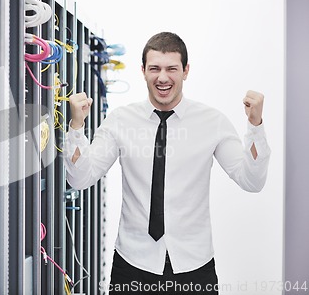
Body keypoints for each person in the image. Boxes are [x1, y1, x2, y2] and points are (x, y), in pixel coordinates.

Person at [64, 32, 270, 294]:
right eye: (154, 69)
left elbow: (252, 181)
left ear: (185, 71)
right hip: (132, 265)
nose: (162, 77)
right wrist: (77, 127)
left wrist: (255, 127)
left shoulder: (212, 122)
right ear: (143, 71)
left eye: (171, 68)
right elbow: (80, 179)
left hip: (195, 267)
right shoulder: (120, 121)